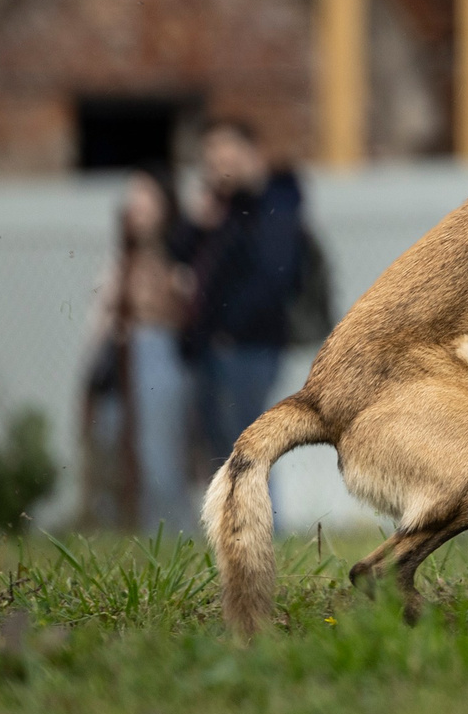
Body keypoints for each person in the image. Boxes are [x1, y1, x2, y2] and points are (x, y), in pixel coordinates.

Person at [180, 117, 306, 473]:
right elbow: (179, 252)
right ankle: (233, 523)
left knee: (248, 443)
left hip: (250, 344)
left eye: (226, 153)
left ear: (251, 155)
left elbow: (275, 277)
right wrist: (197, 221)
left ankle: (259, 523)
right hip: (214, 344)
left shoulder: (276, 203)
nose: (219, 165)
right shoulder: (221, 209)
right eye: (211, 157)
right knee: (222, 445)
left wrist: (231, 329)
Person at [85, 166, 198, 533]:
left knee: (159, 459)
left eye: (144, 197)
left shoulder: (178, 257)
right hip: (117, 367)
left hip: (158, 357)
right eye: (131, 198)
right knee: (109, 447)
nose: (134, 206)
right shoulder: (121, 258)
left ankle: (169, 537)